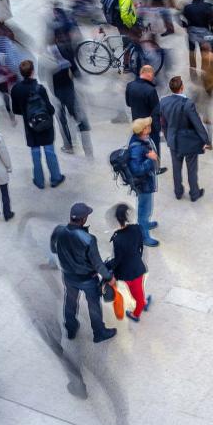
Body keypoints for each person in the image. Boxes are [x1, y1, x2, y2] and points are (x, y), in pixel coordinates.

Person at [51, 203, 117, 343]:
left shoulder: (59, 231)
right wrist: (109, 277)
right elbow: (97, 263)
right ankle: (99, 332)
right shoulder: (89, 239)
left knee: (70, 301)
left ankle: (71, 328)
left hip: (68, 277)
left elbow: (53, 247)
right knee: (93, 305)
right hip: (88, 279)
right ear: (83, 220)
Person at [10, 60, 65, 190]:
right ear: (33, 72)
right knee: (49, 150)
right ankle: (55, 178)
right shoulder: (39, 88)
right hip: (45, 124)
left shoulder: (16, 89)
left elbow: (16, 110)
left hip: (30, 126)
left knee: (35, 152)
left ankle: (39, 181)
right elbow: (49, 109)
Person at [160, 76, 209, 202]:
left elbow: (163, 123)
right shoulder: (188, 104)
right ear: (182, 87)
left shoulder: (163, 101)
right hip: (188, 141)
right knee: (192, 169)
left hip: (173, 140)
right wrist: (205, 140)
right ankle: (194, 193)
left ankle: (178, 192)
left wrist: (167, 136)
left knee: (176, 168)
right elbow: (197, 124)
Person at [108, 204, 151, 323]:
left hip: (127, 273)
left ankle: (136, 314)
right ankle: (142, 301)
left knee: (135, 294)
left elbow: (117, 259)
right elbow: (140, 247)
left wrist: (110, 269)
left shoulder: (117, 238)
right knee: (137, 291)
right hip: (137, 268)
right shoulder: (137, 228)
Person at [47, 45, 93, 158]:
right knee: (82, 123)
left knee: (63, 122)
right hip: (70, 92)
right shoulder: (67, 57)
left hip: (58, 94)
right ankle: (89, 153)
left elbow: (45, 78)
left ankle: (69, 146)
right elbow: (77, 74)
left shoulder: (48, 60)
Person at [125, 64, 166, 173]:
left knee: (138, 142)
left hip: (136, 122)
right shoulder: (151, 90)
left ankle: (138, 162)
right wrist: (158, 127)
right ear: (149, 74)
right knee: (153, 145)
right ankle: (156, 168)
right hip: (149, 124)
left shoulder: (130, 85)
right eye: (152, 75)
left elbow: (128, 103)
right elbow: (156, 110)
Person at [128, 118, 160, 247]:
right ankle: (144, 236)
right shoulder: (136, 148)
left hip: (147, 182)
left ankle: (145, 223)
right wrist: (150, 160)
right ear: (142, 130)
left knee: (147, 207)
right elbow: (137, 169)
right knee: (143, 210)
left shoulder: (142, 139)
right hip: (143, 184)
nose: (150, 127)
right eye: (147, 126)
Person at [180, 0, 213, 78]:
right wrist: (212, 31)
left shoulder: (187, 8)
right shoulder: (208, 7)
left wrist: (185, 26)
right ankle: (204, 73)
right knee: (204, 53)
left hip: (191, 32)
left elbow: (181, 19)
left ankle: (193, 74)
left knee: (192, 53)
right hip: (204, 33)